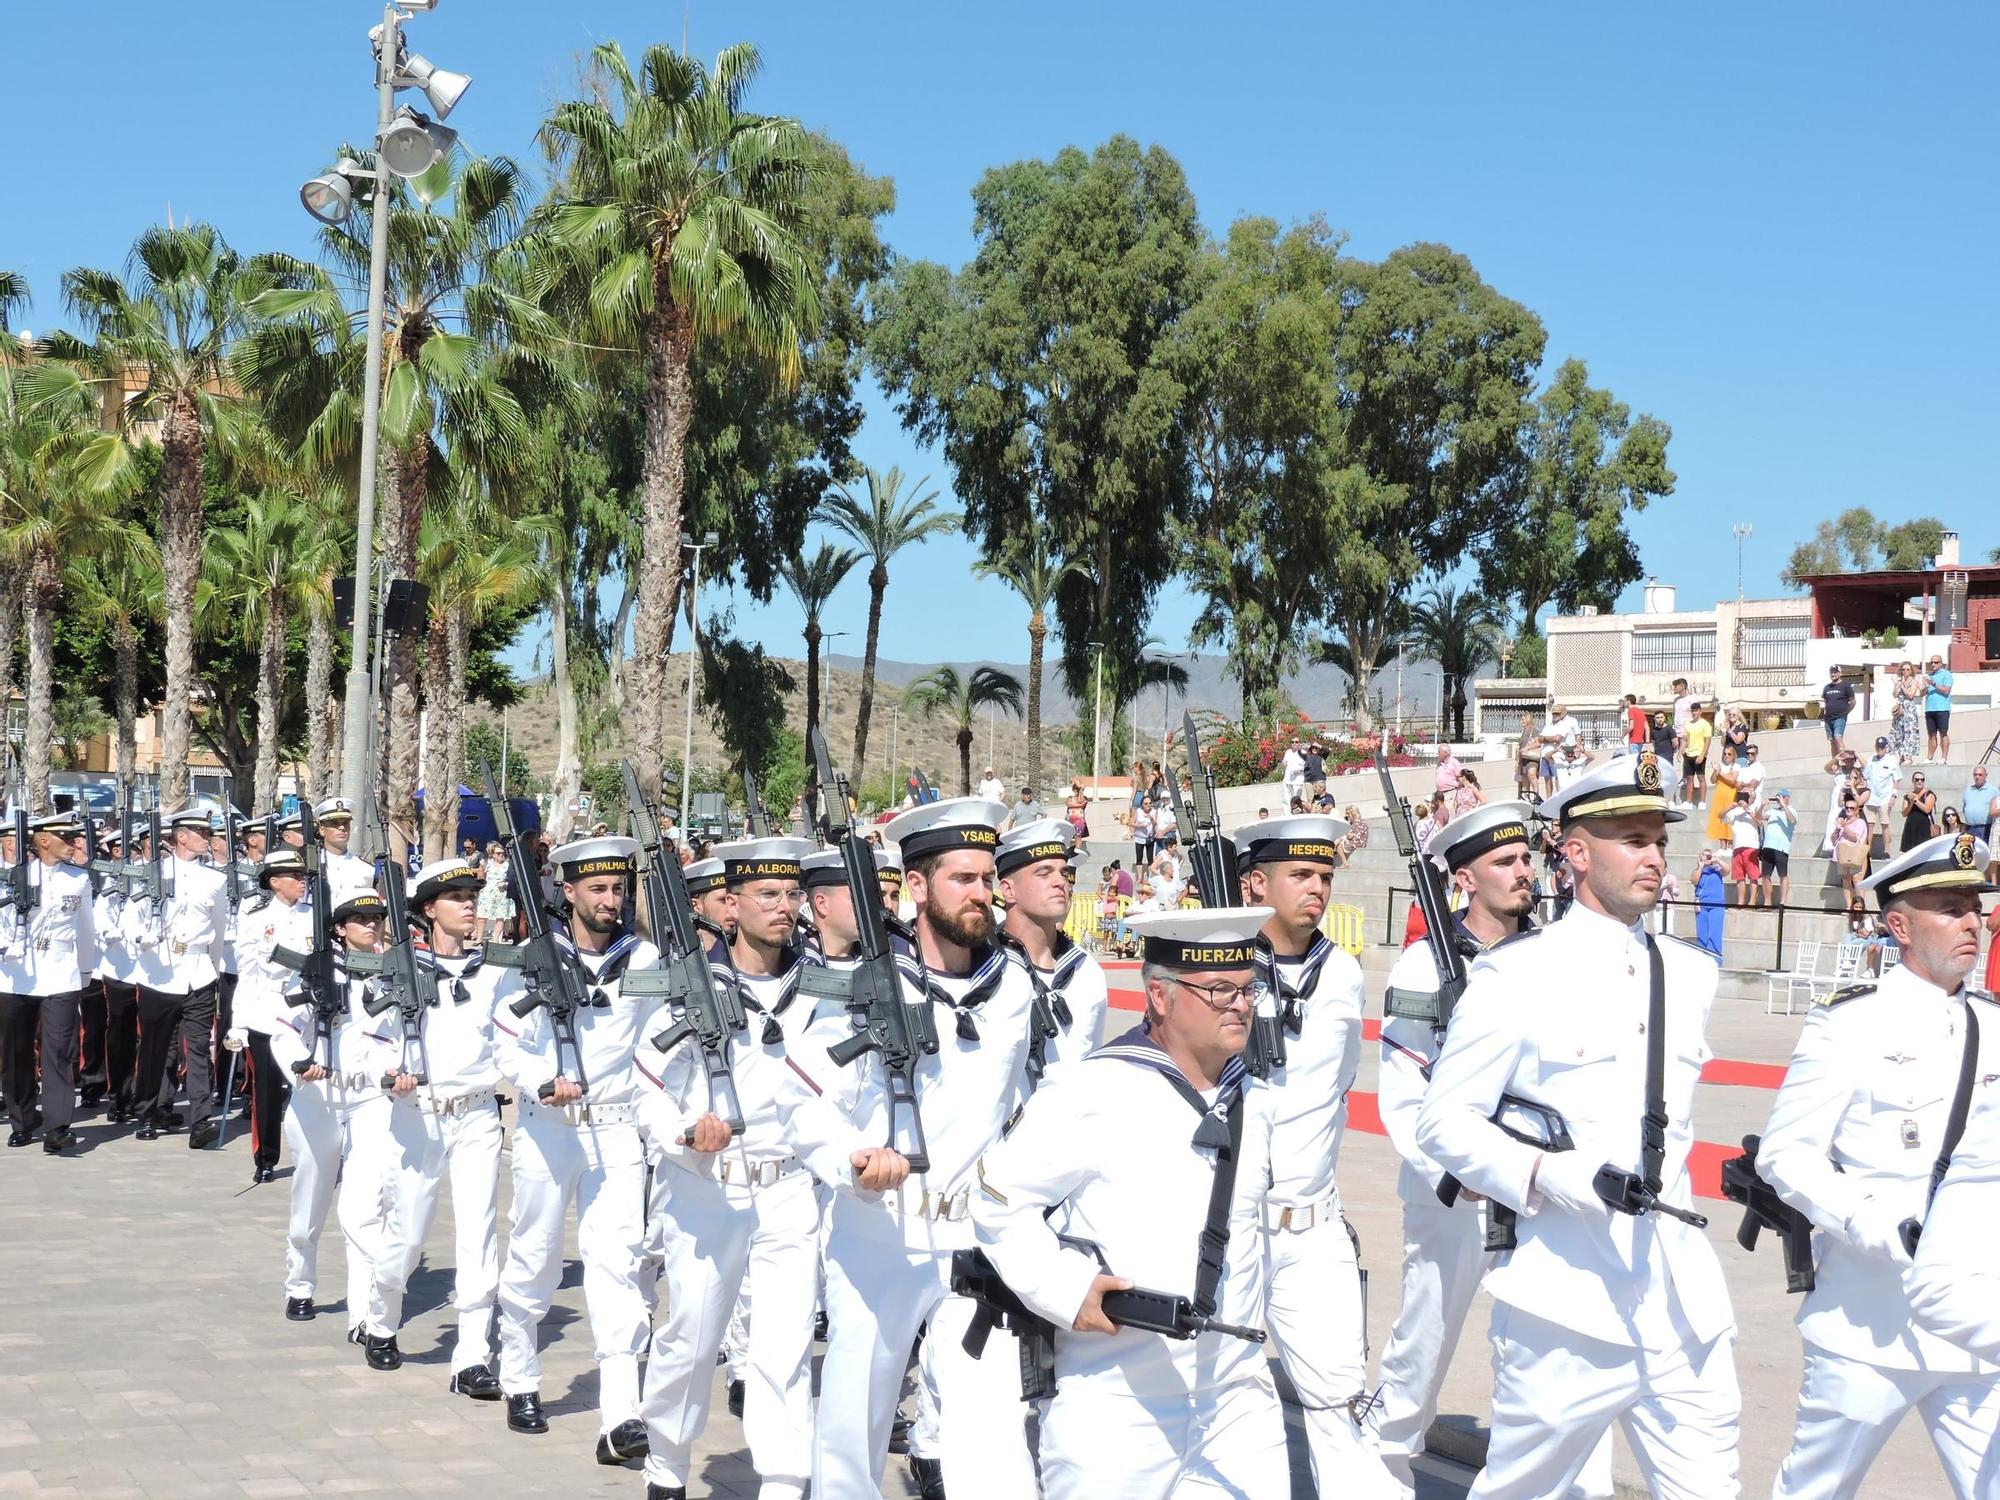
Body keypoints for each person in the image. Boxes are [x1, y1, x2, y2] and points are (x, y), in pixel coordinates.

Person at [1416, 754, 1740, 1498]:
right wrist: (1550, 1176)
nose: (1654, 857)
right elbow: (1446, 1121)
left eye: (1659, 840)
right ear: (1576, 852)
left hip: (1681, 1304)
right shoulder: (1516, 975)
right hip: (1564, 1306)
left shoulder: (1690, 974)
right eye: (1632, 839)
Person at [971, 907, 1290, 1497]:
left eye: (1249, 989)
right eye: (1220, 990)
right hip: (1118, 1391)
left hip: (1235, 1392)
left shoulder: (1259, 1097)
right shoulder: (1094, 1088)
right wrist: (1065, 1289)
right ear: (1161, 997)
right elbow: (997, 1199)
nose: (1241, 1005)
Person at [781, 795, 1040, 1497]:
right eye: (964, 879)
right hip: (880, 1235)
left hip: (972, 1238)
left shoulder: (1012, 987)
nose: (982, 894)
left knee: (991, 1429)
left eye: (988, 878)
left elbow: (1027, 1110)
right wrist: (851, 1162)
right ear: (918, 887)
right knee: (852, 1434)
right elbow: (803, 1105)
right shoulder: (863, 983)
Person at [1375, 802, 1617, 1499]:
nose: (1523, 874)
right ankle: (1379, 1478)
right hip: (1455, 1200)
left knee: (1556, 1360)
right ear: (1464, 878)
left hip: (1538, 1192)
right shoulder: (1428, 965)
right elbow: (1402, 1089)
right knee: (1419, 1364)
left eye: (1525, 860)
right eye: (1503, 863)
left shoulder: (1550, 958)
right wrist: (1458, 1177)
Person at [1757, 830, 1999, 1498]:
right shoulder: (1851, 1024)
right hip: (1872, 1326)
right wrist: (1877, 1224)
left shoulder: (1993, 1023)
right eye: (1949, 908)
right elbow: (1787, 1154)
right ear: (1898, 923)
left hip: (1977, 1331)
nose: (1971, 922)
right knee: (1816, 1490)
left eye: (1975, 907)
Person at [638, 836, 820, 1500]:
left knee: (785, 1347)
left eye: (791, 895)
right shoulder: (694, 986)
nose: (782, 908)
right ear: (731, 906)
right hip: (707, 1188)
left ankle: (782, 1482)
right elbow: (649, 1086)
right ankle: (665, 1465)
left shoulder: (819, 987)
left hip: (790, 1190)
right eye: (766, 895)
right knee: (690, 1340)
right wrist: (686, 1131)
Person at [491, 835, 663, 1460]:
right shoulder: (535, 958)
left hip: (615, 1129)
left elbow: (658, 1045)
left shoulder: (643, 959)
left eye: (618, 889)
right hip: (547, 1128)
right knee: (535, 1255)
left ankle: (621, 1417)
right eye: (597, 889)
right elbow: (506, 1037)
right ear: (568, 893)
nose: (610, 900)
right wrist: (541, 1078)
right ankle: (520, 1377)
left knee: (617, 1264)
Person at [1229, 814, 1383, 1494]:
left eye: (1324, 875)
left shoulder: (1344, 973)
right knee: (1219, 1395)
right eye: (1300, 875)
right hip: (1230, 1223)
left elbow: (1340, 1081)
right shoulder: (1218, 966)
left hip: (1312, 1223)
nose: (1316, 888)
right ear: (1255, 883)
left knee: (1339, 1400)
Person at [373, 857, 517, 1402]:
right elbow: (373, 1041)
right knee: (408, 1232)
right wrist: (389, 1076)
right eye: (455, 897)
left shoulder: (494, 971)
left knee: (479, 1233)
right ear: (429, 910)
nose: (468, 905)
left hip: (478, 1113)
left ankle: (473, 1355)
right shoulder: (400, 968)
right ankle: (383, 1314)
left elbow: (513, 1038)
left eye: (472, 896)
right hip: (419, 1116)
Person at [269, 884, 400, 1353]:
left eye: (377, 919)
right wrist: (300, 1064)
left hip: (371, 1100)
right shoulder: (314, 972)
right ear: (340, 930)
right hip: (319, 1096)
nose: (371, 926)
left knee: (367, 1207)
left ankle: (364, 1313)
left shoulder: (397, 970)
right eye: (359, 920)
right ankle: (300, 1281)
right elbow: (283, 1032)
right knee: (310, 1201)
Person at [128, 809, 231, 1145]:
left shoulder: (215, 879)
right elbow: (133, 916)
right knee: (157, 1049)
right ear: (180, 836)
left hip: (198, 973)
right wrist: (140, 938)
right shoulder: (150, 872)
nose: (207, 837)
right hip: (160, 970)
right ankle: (148, 1112)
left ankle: (201, 1119)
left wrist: (211, 968)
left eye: (208, 831)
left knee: (199, 1048)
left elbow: (218, 928)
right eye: (200, 831)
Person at [0, 814, 99, 1152]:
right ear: (43, 841)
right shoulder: (13, 876)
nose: (73, 843)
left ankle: (58, 1126)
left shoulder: (78, 880)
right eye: (65, 837)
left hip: (60, 971)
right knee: (16, 1051)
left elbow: (86, 928)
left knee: (59, 1051)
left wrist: (86, 969)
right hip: (17, 972)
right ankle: (23, 1120)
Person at [225, 846, 316, 1185]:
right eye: (294, 876)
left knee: (309, 1086)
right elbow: (246, 973)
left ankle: (312, 1152)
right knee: (266, 1088)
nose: (301, 880)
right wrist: (238, 1021)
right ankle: (265, 1158)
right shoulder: (255, 916)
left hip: (304, 1010)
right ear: (275, 881)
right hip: (265, 1009)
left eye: (302, 875)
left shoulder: (314, 915)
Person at [996, 818, 1109, 1085]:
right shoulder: (983, 968)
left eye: (1063, 873)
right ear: (1008, 890)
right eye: (1044, 873)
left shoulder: (1086, 970)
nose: (1060, 882)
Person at [312, 797, 379, 902]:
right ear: (322, 829)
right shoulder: (312, 865)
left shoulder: (366, 869)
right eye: (334, 824)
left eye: (346, 823)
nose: (342, 828)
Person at [1862, 736, 1903, 857]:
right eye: (1877, 747)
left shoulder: (1891, 760)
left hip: (1885, 797)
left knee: (1885, 824)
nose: (1879, 750)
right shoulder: (1871, 760)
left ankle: (1887, 850)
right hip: (1870, 797)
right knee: (1869, 825)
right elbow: (1865, 776)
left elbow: (1896, 779)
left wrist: (1894, 796)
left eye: (1882, 747)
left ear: (1886, 748)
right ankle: (1866, 850)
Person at [1759, 791, 1798, 909]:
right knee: (1765, 875)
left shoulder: (1792, 810)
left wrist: (1784, 805)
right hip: (1768, 847)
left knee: (1783, 875)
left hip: (1781, 848)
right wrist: (1762, 805)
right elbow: (1758, 817)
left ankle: (1782, 903)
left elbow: (1792, 821)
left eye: (1781, 797)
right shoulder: (1772, 811)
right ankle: (1767, 903)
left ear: (1787, 798)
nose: (1779, 800)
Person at [1723, 797, 1762, 907]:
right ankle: (1741, 901)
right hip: (1737, 846)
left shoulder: (1756, 807)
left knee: (1753, 876)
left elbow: (1760, 823)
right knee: (1739, 876)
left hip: (1751, 846)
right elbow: (1720, 816)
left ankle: (1752, 901)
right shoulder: (1734, 811)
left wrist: (1748, 810)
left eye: (1748, 794)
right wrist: (1729, 807)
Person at [1832, 799, 1872, 904]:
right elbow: (1833, 840)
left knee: (1857, 879)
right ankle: (1849, 906)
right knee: (1846, 879)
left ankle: (1860, 906)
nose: (1849, 810)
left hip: (1856, 854)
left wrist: (1844, 827)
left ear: (1856, 810)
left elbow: (1855, 838)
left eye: (1852, 808)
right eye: (1847, 807)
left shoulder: (1860, 822)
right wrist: (1837, 829)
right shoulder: (1842, 821)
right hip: (1843, 853)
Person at [474, 841, 514, 944]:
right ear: (493, 854)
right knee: (482, 916)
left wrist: (506, 883)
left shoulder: (507, 864)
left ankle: (496, 939)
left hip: (502, 892)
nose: (501, 855)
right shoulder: (488, 863)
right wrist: (481, 870)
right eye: (498, 853)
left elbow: (511, 877)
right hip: (487, 891)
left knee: (500, 916)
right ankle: (479, 938)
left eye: (502, 853)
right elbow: (481, 878)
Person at [1704, 742, 1742, 846]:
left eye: (1729, 754)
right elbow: (1712, 780)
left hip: (1730, 795)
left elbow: (1733, 780)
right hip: (1719, 795)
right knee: (1720, 820)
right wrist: (1715, 771)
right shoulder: (1720, 766)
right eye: (1725, 754)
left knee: (1729, 820)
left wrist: (1720, 773)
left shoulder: (1736, 766)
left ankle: (1730, 846)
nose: (1726, 756)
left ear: (1733, 756)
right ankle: (1722, 846)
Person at [1694, 849, 1727, 957]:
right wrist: (1701, 866)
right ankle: (1702, 957)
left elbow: (1727, 870)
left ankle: (1715, 958)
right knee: (1702, 934)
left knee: (1715, 933)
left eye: (1709, 856)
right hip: (1702, 905)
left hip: (1717, 906)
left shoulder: (1717, 870)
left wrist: (1717, 860)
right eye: (1705, 856)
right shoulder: (1698, 871)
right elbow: (1693, 880)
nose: (1707, 858)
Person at [1891, 661, 1924, 762]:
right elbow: (1894, 694)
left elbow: (1911, 695)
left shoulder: (1913, 681)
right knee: (1899, 731)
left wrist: (1903, 687)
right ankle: (1901, 755)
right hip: (1900, 708)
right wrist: (1896, 685)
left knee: (1910, 731)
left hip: (1909, 709)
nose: (1905, 671)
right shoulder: (1900, 681)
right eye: (1903, 669)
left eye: (1907, 669)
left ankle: (1909, 756)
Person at [1680, 703, 1712, 809]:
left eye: (1696, 710)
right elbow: (1684, 739)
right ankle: (1688, 802)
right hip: (1689, 754)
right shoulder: (1688, 724)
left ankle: (1702, 802)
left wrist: (1702, 755)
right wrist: (1681, 751)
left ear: (1700, 711)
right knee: (1689, 778)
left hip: (1699, 754)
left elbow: (1707, 740)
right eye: (1692, 711)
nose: (1694, 713)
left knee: (1701, 777)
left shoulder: (1705, 724)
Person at [1900, 770, 1939, 852]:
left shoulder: (1929, 794)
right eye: (1917, 779)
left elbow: (1927, 809)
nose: (1919, 781)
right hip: (1911, 828)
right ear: (1913, 781)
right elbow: (1904, 813)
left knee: (1923, 852)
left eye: (1922, 779)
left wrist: (1915, 800)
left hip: (1924, 828)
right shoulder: (1908, 796)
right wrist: (1911, 803)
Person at [1962, 765, 1996, 858]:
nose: (1977, 777)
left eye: (1980, 775)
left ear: (1986, 775)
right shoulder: (1968, 790)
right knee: (1971, 855)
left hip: (1985, 828)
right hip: (1970, 828)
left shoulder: (1993, 791)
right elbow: (1964, 807)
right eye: (1975, 775)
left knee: (1984, 855)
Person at [1820, 667, 1855, 758]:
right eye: (1831, 672)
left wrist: (1845, 713)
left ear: (1840, 673)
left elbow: (1853, 701)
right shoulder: (1827, 688)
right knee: (1832, 741)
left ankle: (1844, 761)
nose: (1833, 674)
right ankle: (1836, 765)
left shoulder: (1846, 686)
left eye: (1835, 672)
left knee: (1837, 737)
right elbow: (1825, 702)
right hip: (1828, 719)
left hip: (1840, 717)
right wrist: (1824, 714)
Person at [1283, 740, 1308, 809]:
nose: (1294, 743)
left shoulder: (1303, 753)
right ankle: (1287, 816)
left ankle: (1297, 813)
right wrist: (1284, 763)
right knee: (1286, 800)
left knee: (1296, 800)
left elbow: (1307, 766)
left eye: (1296, 742)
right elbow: (1284, 762)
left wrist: (1299, 771)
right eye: (1292, 742)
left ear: (1299, 743)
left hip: (1298, 781)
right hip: (1287, 780)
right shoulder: (1288, 752)